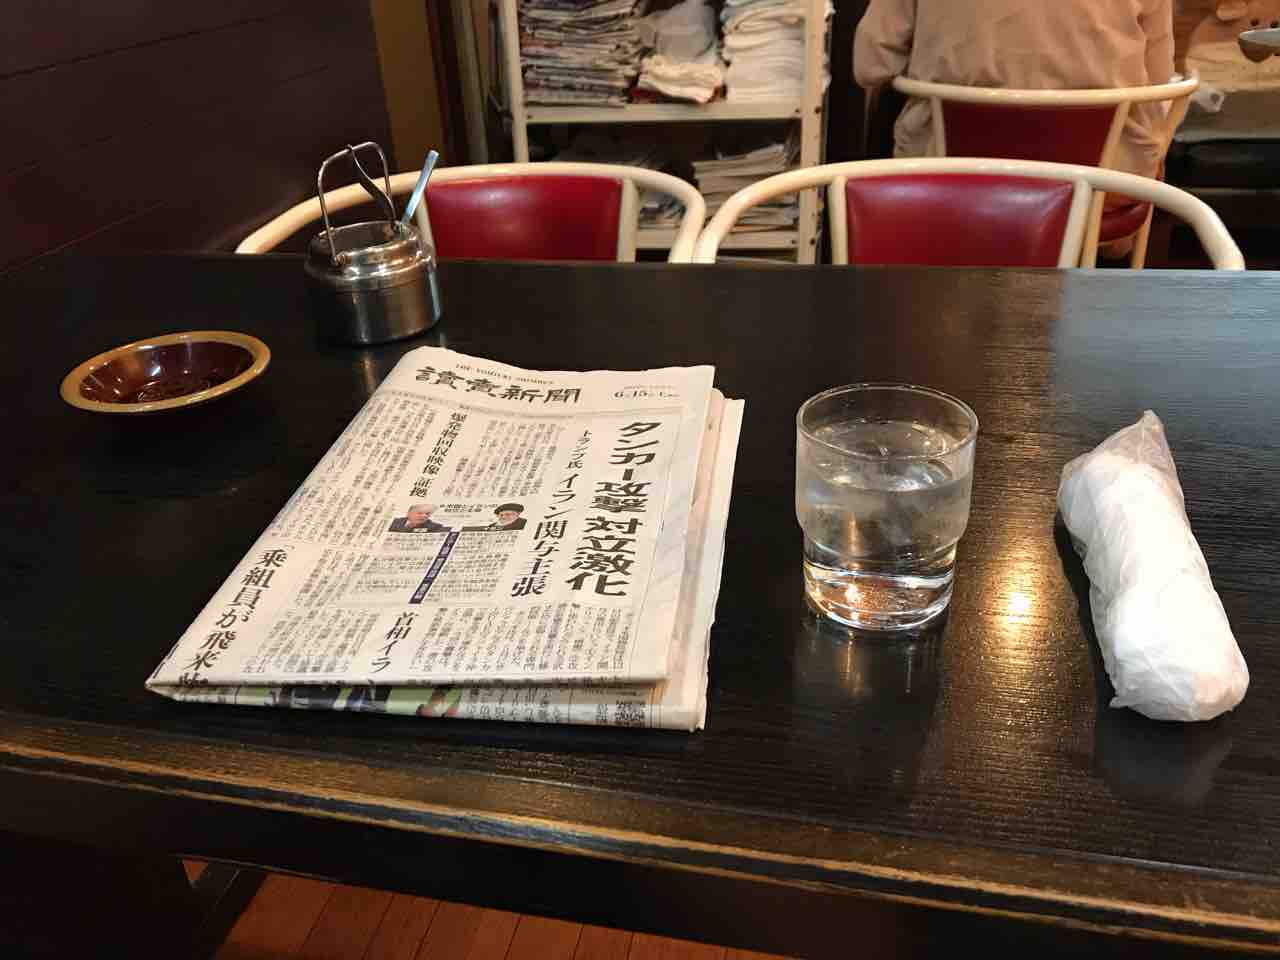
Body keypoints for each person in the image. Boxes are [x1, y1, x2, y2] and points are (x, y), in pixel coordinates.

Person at [853, 0, 1175, 181]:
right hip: (1098, 187)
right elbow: (1160, 86)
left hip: (948, 181)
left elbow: (869, 66)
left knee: (889, 109)